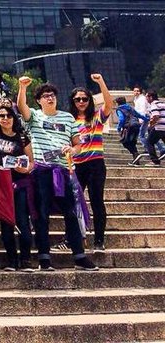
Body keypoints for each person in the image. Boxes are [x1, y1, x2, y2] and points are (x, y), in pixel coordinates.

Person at [17, 77, 98, 271]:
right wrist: (22, 87)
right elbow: (21, 107)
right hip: (41, 171)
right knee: (41, 214)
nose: (50, 98)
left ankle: (79, 256)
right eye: (45, 96)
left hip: (62, 171)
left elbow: (78, 144)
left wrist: (72, 150)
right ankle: (44, 258)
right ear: (39, 100)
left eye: (52, 95)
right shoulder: (35, 116)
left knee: (70, 213)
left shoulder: (67, 118)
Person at [0, 105, 35, 271]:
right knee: (6, 223)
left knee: (22, 221)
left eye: (8, 115)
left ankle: (26, 259)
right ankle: (11, 260)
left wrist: (25, 169)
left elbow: (31, 162)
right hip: (1, 185)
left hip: (19, 184)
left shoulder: (22, 137)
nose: (5, 118)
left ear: (14, 117)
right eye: (1, 116)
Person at [69, 74, 113, 254]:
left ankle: (99, 240)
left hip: (95, 163)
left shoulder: (95, 117)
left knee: (96, 201)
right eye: (78, 99)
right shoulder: (69, 120)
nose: (81, 102)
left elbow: (109, 104)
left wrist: (101, 82)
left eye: (85, 99)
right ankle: (74, 237)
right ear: (73, 101)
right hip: (77, 165)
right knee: (73, 202)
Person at [115, 96, 147, 165]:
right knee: (132, 142)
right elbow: (138, 115)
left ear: (118, 103)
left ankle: (136, 154)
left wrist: (118, 128)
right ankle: (136, 160)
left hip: (129, 127)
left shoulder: (119, 109)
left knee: (125, 142)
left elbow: (121, 119)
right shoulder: (130, 108)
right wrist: (146, 119)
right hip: (136, 125)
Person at [146, 91, 165, 165]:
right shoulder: (162, 104)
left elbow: (156, 116)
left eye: (147, 97)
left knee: (149, 142)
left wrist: (151, 124)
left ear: (151, 97)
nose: (146, 99)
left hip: (159, 127)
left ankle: (154, 160)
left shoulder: (154, 105)